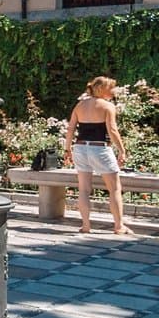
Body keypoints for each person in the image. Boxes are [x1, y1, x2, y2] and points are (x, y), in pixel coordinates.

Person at [62, 75, 130, 235]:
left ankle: (86, 226)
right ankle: (119, 226)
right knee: (114, 189)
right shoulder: (107, 106)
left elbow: (71, 129)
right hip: (99, 148)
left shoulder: (80, 105)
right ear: (102, 89)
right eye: (111, 88)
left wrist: (67, 149)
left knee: (84, 189)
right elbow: (112, 130)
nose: (113, 91)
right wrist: (122, 150)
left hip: (80, 148)